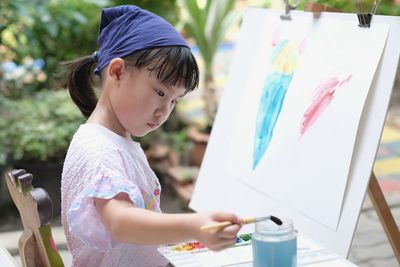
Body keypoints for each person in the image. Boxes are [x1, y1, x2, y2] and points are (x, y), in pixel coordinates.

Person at [61, 5, 242, 267]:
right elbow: (120, 221)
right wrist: (192, 225)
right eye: (159, 93)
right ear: (117, 72)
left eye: (174, 101)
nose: (163, 112)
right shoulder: (96, 148)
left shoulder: (117, 141)